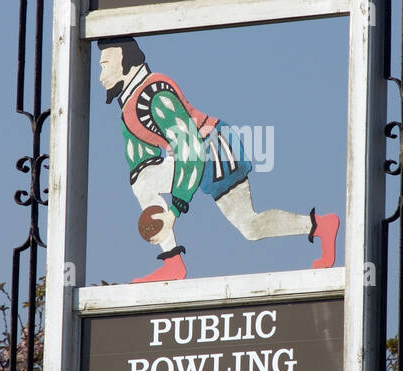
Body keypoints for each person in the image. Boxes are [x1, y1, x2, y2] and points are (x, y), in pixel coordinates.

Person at [96, 36, 339, 283]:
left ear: (125, 61)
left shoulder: (154, 95)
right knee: (249, 227)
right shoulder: (128, 108)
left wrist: (172, 213)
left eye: (104, 64)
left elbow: (190, 148)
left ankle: (319, 226)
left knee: (249, 227)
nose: (101, 75)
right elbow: (140, 162)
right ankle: (173, 261)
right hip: (191, 156)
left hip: (215, 150)